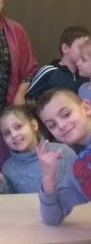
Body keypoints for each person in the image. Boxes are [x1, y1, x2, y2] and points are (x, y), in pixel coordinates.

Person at [0, 104, 85, 244]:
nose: (14, 135)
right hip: (29, 241)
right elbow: (9, 206)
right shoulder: (8, 167)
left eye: (18, 127)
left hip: (66, 234)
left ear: (33, 125)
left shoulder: (62, 152)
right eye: (7, 133)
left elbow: (83, 188)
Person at [36, 88, 91, 225]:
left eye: (66, 114)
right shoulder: (80, 169)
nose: (61, 126)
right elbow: (52, 217)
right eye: (52, 125)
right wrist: (48, 176)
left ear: (86, 108)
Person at [27, 26, 89, 101]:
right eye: (81, 47)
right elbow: (28, 98)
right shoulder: (49, 72)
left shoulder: (86, 74)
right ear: (65, 48)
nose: (85, 51)